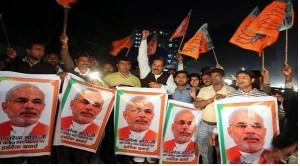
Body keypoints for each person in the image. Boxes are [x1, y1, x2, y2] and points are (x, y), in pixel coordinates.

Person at [194, 68, 235, 164]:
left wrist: (224, 99)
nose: (213, 78)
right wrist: (212, 99)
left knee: (221, 153)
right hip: (204, 125)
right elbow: (197, 105)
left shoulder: (231, 90)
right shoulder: (204, 89)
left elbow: (233, 109)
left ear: (222, 77)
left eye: (216, 75)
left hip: (222, 127)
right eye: (212, 76)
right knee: (205, 151)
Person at [138, 30, 176, 95]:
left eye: (159, 65)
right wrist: (144, 38)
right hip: (143, 102)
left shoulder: (168, 76)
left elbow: (172, 90)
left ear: (163, 67)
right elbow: (142, 57)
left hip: (159, 103)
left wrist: (160, 86)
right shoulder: (145, 72)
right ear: (151, 65)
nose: (156, 67)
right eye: (154, 65)